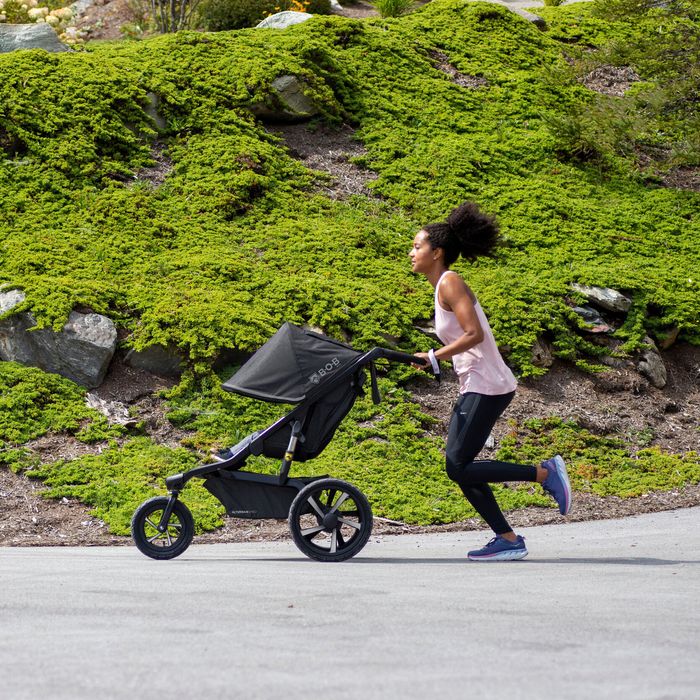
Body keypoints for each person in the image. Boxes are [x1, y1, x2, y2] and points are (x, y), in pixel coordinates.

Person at [409, 201, 572, 562]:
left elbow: (474, 334)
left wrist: (437, 355)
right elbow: (465, 339)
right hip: (476, 382)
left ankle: (545, 474)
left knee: (458, 465)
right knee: (459, 467)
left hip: (489, 383)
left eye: (417, 246)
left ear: (437, 253)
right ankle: (508, 539)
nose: (412, 252)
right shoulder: (442, 287)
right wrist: (435, 360)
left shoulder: (450, 283)